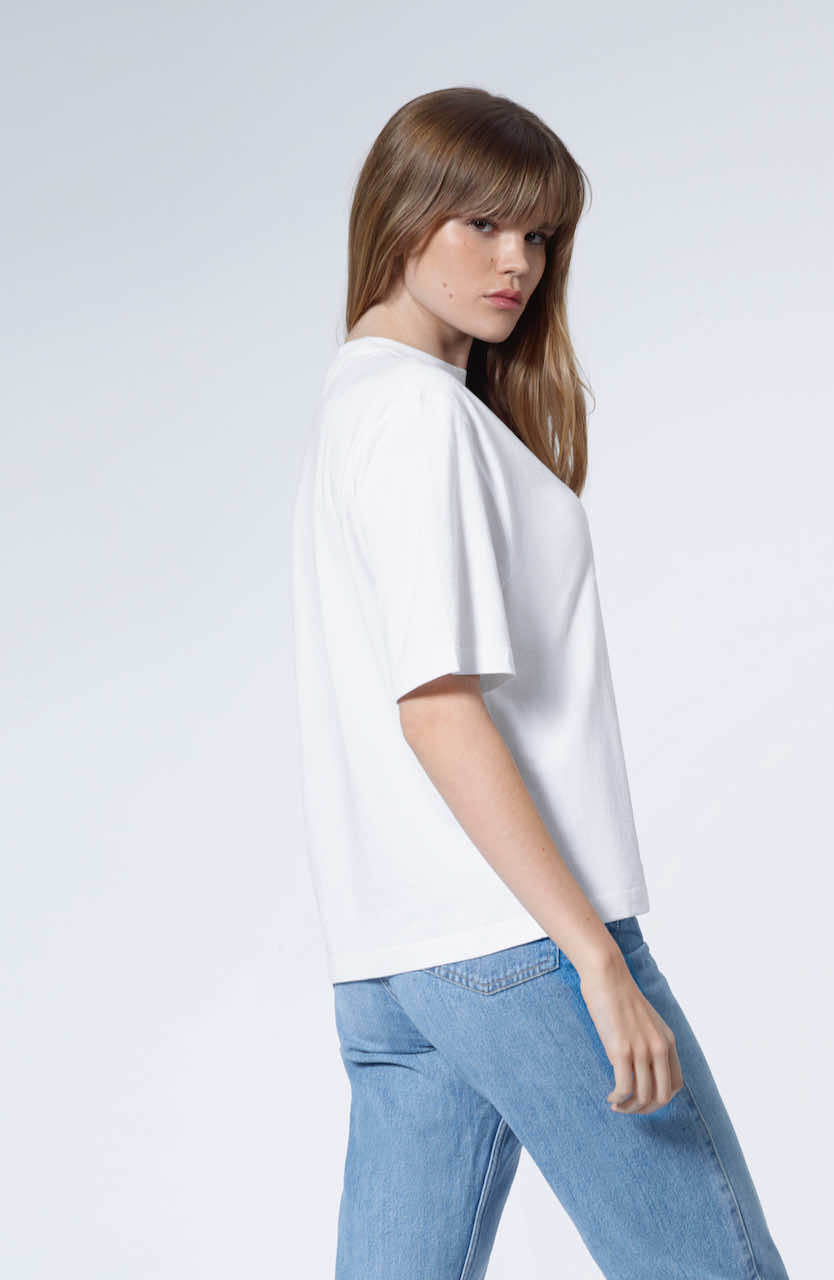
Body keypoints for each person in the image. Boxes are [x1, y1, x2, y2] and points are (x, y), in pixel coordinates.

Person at [290, 86, 791, 1280]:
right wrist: (594, 960)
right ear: (401, 213)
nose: (516, 261)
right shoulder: (415, 414)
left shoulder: (360, 402)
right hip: (517, 939)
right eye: (481, 224)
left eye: (540, 234)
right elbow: (436, 705)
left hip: (397, 956)